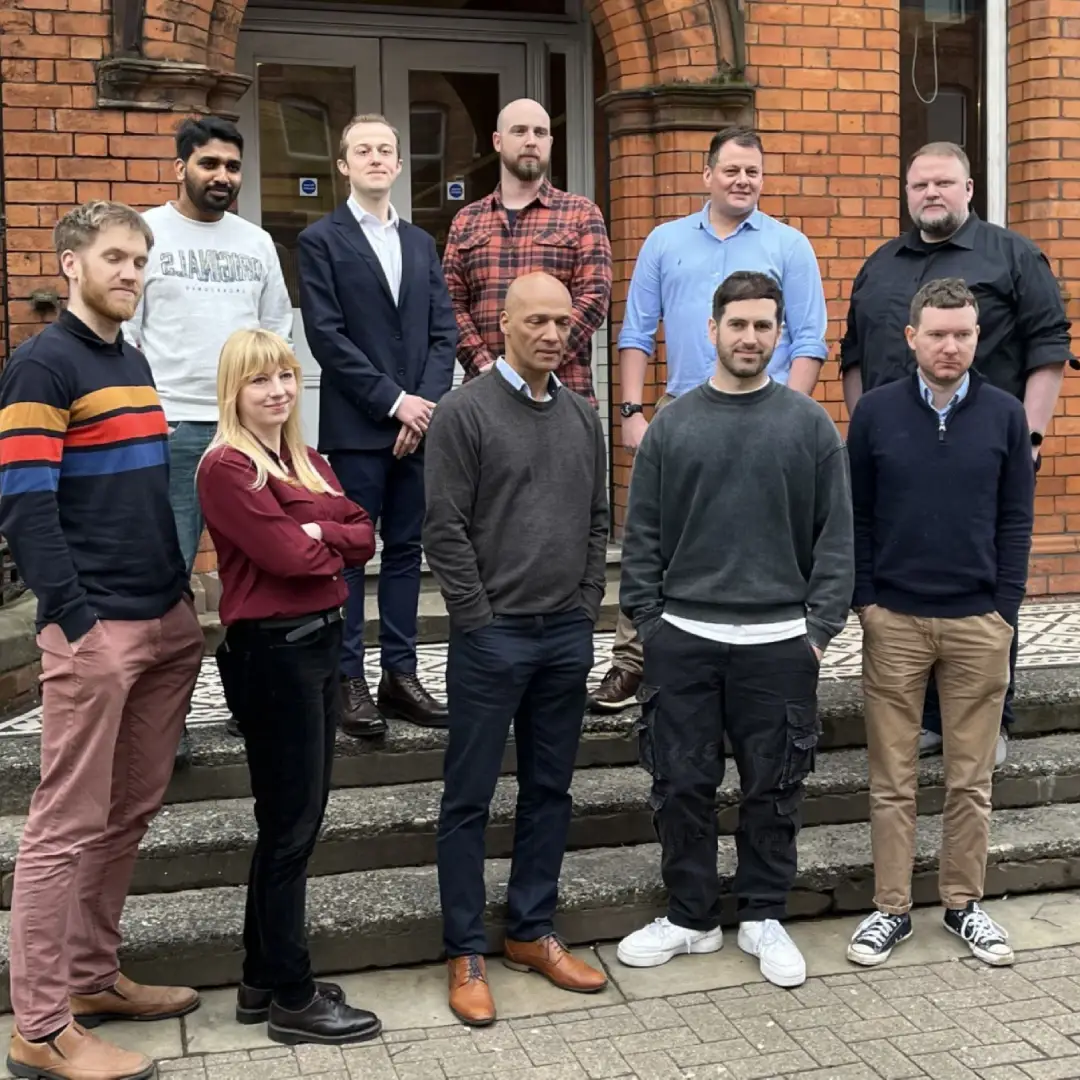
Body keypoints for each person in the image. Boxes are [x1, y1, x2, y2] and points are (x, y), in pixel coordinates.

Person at [0, 201, 204, 1080]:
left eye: (141, 258)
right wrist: (76, 622)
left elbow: (143, 493)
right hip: (98, 631)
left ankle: (90, 979)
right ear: (73, 264)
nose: (132, 271)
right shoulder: (42, 366)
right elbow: (24, 504)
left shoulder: (131, 357)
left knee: (128, 812)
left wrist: (182, 599)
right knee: (62, 827)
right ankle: (39, 1027)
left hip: (162, 620)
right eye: (116, 256)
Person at [615, 271, 853, 989]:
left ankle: (762, 914)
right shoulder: (674, 427)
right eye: (738, 324)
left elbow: (836, 542)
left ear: (780, 335)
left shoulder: (808, 426)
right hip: (683, 639)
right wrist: (651, 628)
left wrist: (815, 633)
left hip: (779, 644)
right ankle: (690, 917)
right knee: (680, 783)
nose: (750, 338)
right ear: (712, 330)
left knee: (774, 787)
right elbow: (644, 538)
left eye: (764, 326)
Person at [840, 140, 1072, 765]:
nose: (931, 195)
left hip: (987, 452)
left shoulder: (1014, 255)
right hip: (896, 458)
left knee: (985, 577)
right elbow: (854, 355)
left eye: (944, 183)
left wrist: (1028, 439)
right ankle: (928, 719)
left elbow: (1050, 347)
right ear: (907, 193)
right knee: (910, 583)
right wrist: (865, 433)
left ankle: (990, 718)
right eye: (919, 186)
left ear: (969, 189)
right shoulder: (880, 265)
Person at [590, 126, 829, 713]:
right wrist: (630, 411)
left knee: (765, 525)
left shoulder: (789, 245)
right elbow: (635, 330)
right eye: (731, 170)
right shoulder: (665, 242)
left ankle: (776, 647)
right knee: (655, 531)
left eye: (753, 171)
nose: (743, 180)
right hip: (680, 412)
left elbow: (809, 338)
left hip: (766, 408)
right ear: (707, 175)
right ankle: (632, 658)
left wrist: (792, 414)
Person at [425, 272, 609, 1026]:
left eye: (562, 322)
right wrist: (479, 619)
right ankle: (464, 947)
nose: (550, 334)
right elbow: (443, 528)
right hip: (492, 640)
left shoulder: (580, 417)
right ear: (503, 324)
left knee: (550, 791)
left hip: (562, 635)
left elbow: (599, 521)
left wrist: (586, 606)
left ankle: (531, 929)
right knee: (468, 798)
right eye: (535, 320)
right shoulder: (463, 415)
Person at [197, 328, 383, 1046]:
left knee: (292, 825)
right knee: (291, 830)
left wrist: (318, 524)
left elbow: (364, 534)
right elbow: (292, 555)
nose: (275, 390)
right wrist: (318, 527)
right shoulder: (226, 467)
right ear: (233, 391)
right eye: (257, 380)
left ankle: (260, 979)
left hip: (317, 650)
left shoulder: (306, 460)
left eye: (282, 376)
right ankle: (294, 998)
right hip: (271, 657)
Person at [845, 278, 1033, 969]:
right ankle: (890, 908)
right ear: (911, 338)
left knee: (970, 778)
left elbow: (1016, 520)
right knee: (891, 780)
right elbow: (857, 514)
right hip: (894, 620)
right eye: (938, 334)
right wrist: (866, 600)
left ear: (977, 338)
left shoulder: (1006, 416)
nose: (950, 346)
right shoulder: (875, 414)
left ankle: (962, 905)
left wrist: (1004, 609)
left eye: (962, 334)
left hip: (977, 623)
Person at [123, 114, 293, 752]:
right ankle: (164, 724)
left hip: (246, 436)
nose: (222, 177)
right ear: (180, 167)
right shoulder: (147, 233)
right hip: (173, 428)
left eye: (232, 166)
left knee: (255, 577)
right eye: (209, 164)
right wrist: (149, 410)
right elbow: (128, 329)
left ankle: (250, 705)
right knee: (167, 579)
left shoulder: (254, 243)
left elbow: (275, 329)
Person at [299, 113, 456, 735]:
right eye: (361, 150)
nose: (374, 158)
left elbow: (442, 332)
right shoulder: (320, 240)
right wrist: (395, 402)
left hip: (419, 429)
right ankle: (348, 682)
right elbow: (327, 337)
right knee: (349, 558)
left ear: (397, 164)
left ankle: (400, 676)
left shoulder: (420, 242)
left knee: (407, 554)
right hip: (360, 428)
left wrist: (424, 404)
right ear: (343, 165)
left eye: (384, 150)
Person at [442, 97, 611, 406]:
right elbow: (450, 304)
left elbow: (595, 298)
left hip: (563, 393)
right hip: (485, 394)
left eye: (540, 132)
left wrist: (536, 359)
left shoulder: (581, 214)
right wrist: (487, 366)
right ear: (497, 141)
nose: (531, 141)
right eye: (519, 131)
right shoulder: (466, 221)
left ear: (550, 141)